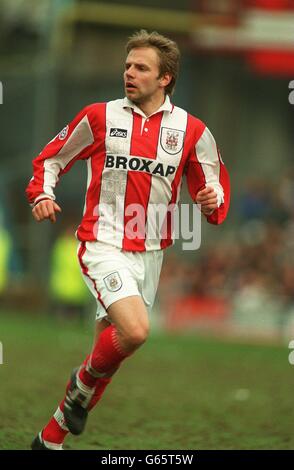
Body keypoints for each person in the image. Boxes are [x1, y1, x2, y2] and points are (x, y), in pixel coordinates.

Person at [26, 29, 230, 450]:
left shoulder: (191, 131)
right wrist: (42, 194)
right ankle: (78, 389)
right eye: (127, 66)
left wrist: (212, 200)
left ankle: (51, 438)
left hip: (151, 253)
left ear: (165, 78)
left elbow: (214, 190)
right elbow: (51, 158)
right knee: (135, 332)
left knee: (114, 349)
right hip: (103, 243)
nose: (129, 73)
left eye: (141, 68)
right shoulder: (99, 117)